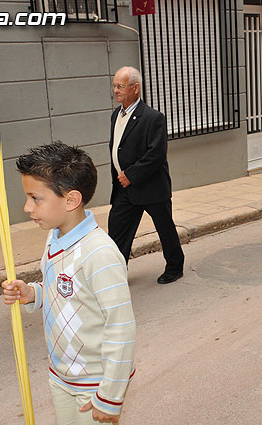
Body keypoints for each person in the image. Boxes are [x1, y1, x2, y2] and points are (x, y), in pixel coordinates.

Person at [2, 142, 136, 424]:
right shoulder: (55, 237)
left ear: (71, 200)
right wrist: (33, 293)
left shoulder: (100, 253)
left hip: (95, 383)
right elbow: (66, 292)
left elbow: (121, 327)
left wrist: (110, 395)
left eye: (35, 198)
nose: (27, 207)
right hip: (61, 375)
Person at [108, 66, 185, 284]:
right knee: (117, 229)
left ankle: (174, 267)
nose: (116, 90)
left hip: (151, 187)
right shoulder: (116, 115)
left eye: (120, 86)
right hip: (124, 189)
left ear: (135, 88)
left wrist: (131, 174)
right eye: (114, 86)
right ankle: (115, 273)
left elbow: (157, 154)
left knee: (165, 229)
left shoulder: (153, 117)